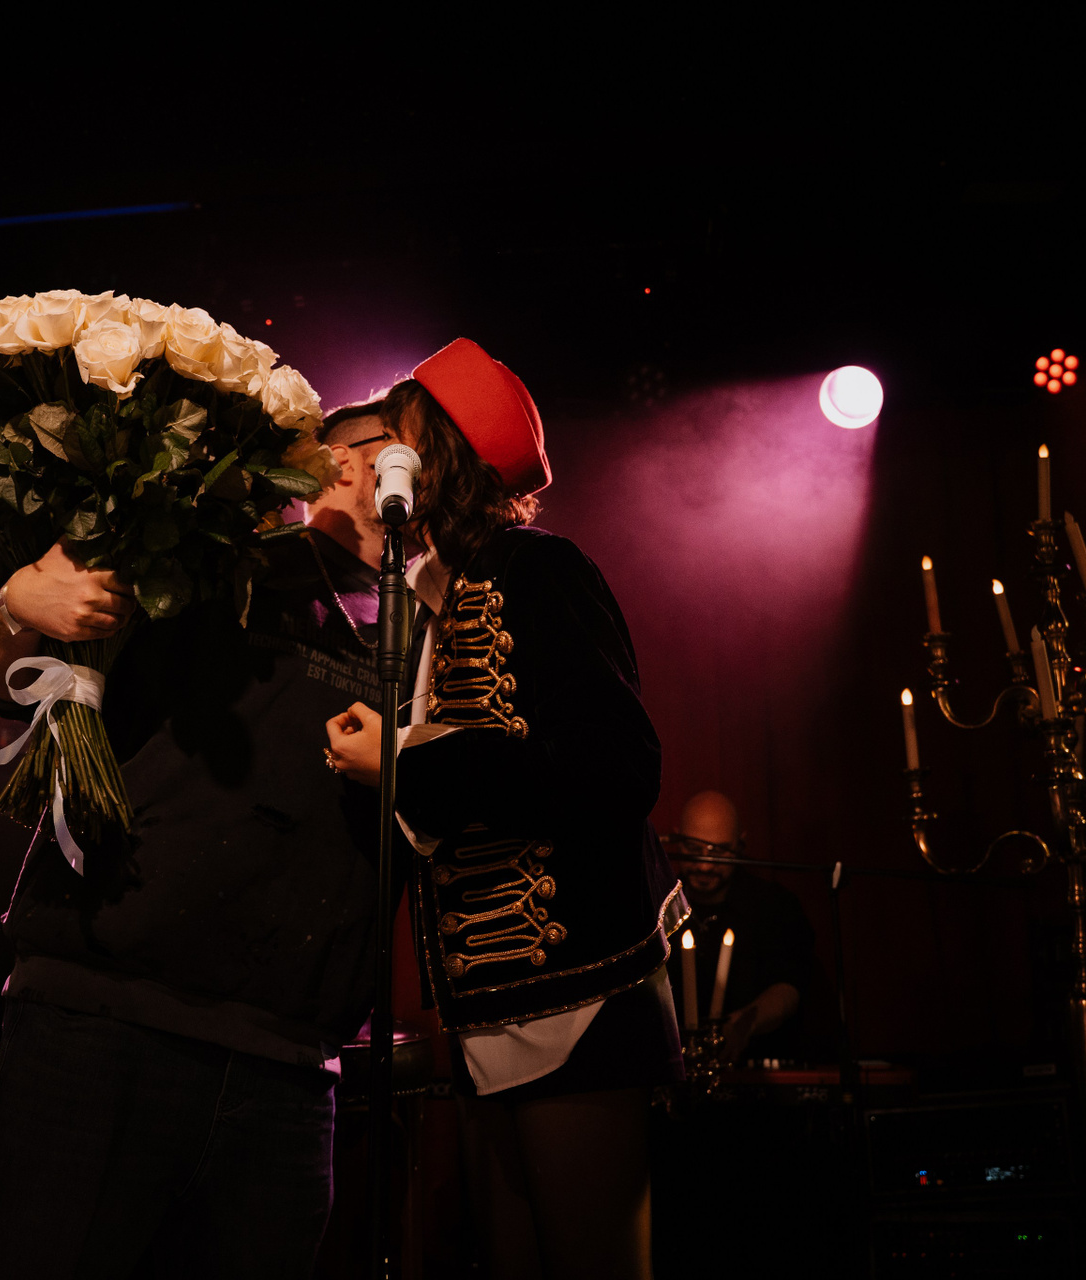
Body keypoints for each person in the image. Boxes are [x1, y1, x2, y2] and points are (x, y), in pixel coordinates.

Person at [0, 404, 409, 1278]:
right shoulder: (217, 559)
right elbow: (18, 682)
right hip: (104, 1024)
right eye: (405, 440)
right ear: (338, 462)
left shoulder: (435, 630)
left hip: (291, 1061)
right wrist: (13, 604)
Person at [323, 338, 685, 1280]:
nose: (360, 462)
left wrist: (405, 763)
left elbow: (618, 769)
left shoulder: (538, 568)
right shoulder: (425, 604)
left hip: (580, 989)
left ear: (434, 453)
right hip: (487, 1009)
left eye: (386, 437)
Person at [662, 790, 813, 1062]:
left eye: (719, 851)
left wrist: (745, 1023)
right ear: (677, 840)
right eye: (694, 849)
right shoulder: (658, 906)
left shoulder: (773, 905)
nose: (705, 865)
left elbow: (791, 983)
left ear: (740, 844)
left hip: (755, 1062)